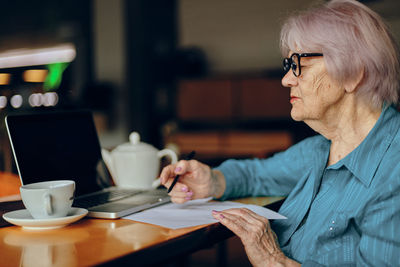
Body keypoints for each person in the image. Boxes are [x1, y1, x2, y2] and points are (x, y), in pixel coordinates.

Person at [160, 0, 400, 265]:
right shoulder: (323, 149)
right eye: (288, 65)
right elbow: (257, 175)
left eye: (300, 64)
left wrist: (275, 260)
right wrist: (212, 181)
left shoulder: (394, 171)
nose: (286, 79)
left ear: (353, 73)